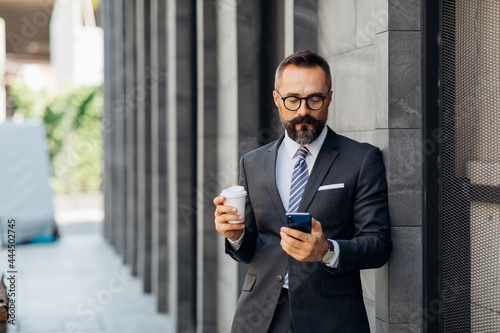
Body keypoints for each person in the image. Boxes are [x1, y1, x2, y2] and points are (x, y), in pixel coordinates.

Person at [213, 50, 392, 333]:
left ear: (329, 98)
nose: (303, 111)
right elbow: (252, 250)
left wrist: (328, 250)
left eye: (314, 99)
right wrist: (236, 237)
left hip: (332, 318)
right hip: (259, 317)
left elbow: (379, 244)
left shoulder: (361, 159)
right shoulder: (253, 162)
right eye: (293, 99)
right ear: (277, 99)